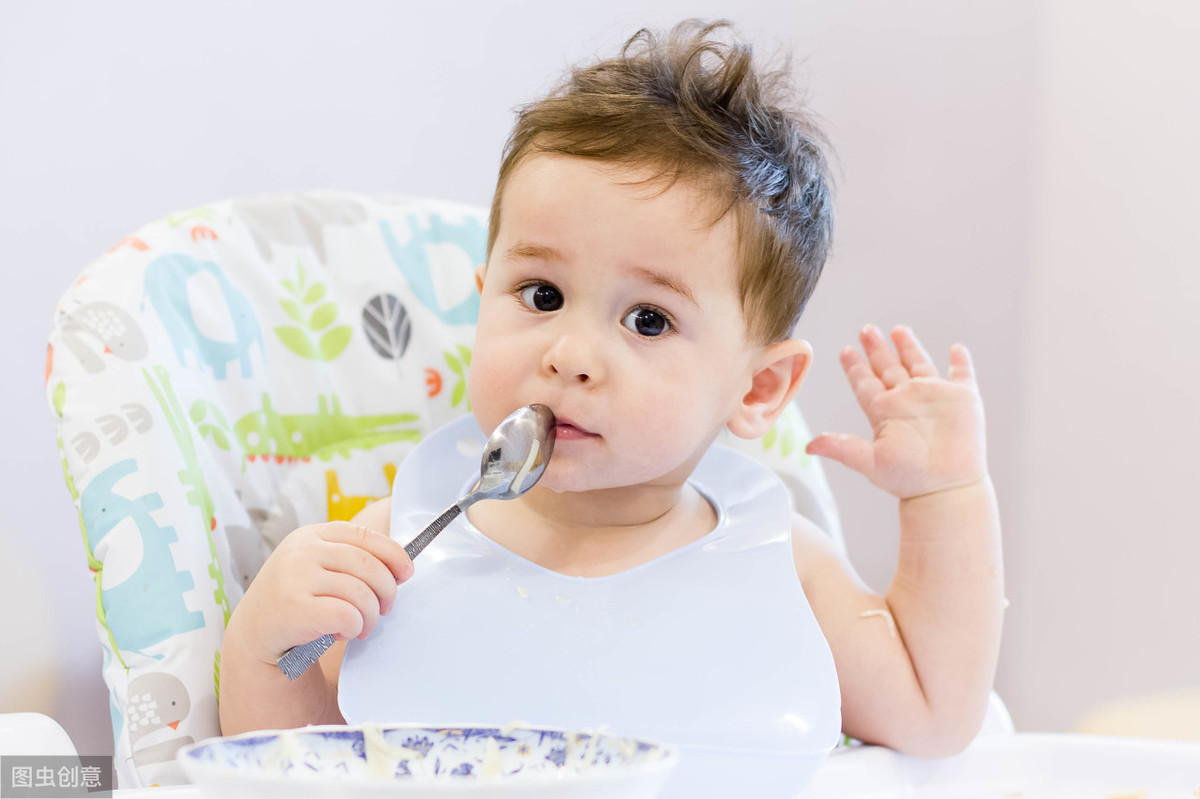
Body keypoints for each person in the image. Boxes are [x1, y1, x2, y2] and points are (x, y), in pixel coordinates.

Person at [218, 19, 1003, 761]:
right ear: (484, 294)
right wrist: (262, 645)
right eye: (542, 295)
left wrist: (946, 496)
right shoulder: (404, 547)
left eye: (649, 320)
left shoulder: (774, 562)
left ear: (758, 387)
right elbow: (297, 766)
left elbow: (933, 712)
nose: (571, 354)